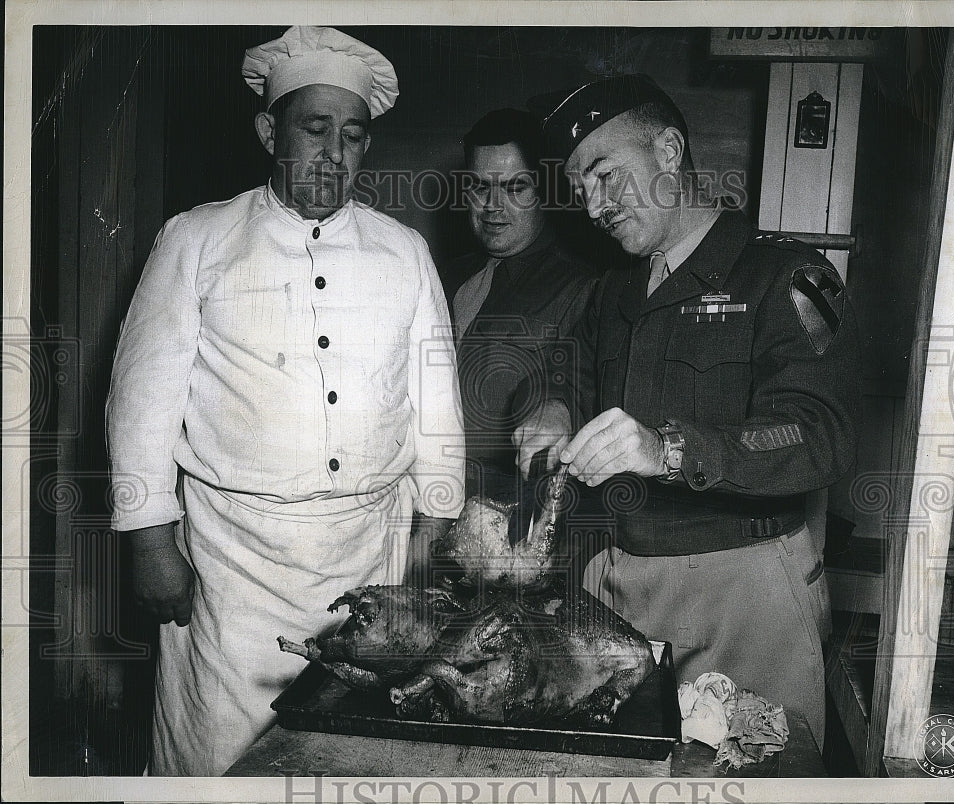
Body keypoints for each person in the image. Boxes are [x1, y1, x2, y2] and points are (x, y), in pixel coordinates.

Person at [106, 26, 464, 776]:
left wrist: (435, 527)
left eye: (354, 136)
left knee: (353, 754)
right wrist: (146, 536)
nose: (334, 153)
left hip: (372, 554)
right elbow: (142, 397)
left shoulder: (403, 252)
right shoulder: (196, 239)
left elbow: (437, 402)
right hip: (234, 564)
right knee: (221, 756)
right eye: (315, 128)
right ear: (270, 131)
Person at [515, 74, 861, 745]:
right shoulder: (613, 288)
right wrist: (555, 407)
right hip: (615, 582)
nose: (593, 206)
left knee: (753, 769)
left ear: (670, 151)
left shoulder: (787, 277)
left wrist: (667, 449)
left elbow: (821, 435)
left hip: (743, 590)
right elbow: (571, 366)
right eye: (582, 188)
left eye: (605, 175)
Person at [450, 108, 596, 502]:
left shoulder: (586, 285)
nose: (493, 205)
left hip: (517, 514)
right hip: (424, 497)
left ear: (545, 190)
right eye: (480, 188)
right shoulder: (440, 275)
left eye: (515, 188)